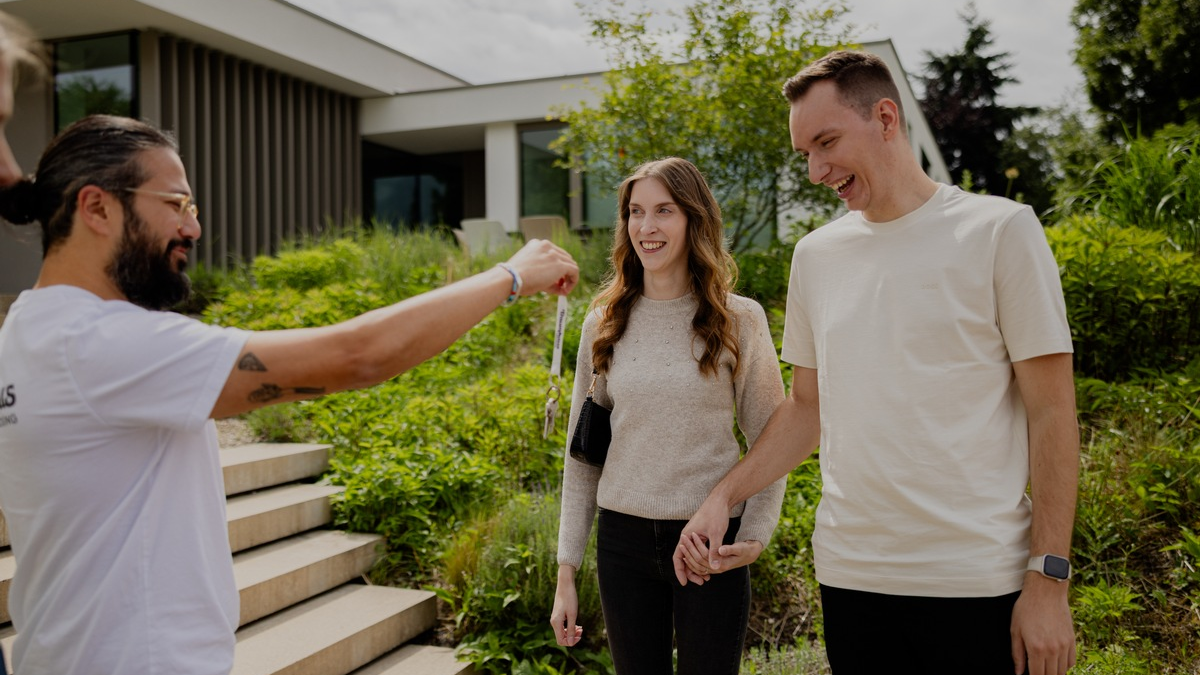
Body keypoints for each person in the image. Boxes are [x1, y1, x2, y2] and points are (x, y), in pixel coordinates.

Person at [0, 114, 578, 675]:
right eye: (175, 204)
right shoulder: (101, 344)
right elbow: (359, 356)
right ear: (96, 206)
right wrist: (512, 275)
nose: (194, 228)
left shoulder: (29, 332)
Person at [672, 51, 1079, 675]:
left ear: (885, 118)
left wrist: (1048, 578)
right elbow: (807, 409)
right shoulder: (816, 256)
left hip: (977, 581)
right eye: (804, 152)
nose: (815, 170)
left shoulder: (1000, 231)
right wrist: (722, 497)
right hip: (852, 578)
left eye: (826, 142)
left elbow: (1053, 413)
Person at [549, 157, 786, 675]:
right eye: (635, 212)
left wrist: (753, 538)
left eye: (664, 211)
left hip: (707, 544)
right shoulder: (604, 321)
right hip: (622, 545)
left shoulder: (738, 319)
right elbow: (582, 457)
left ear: (693, 219)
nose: (646, 227)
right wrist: (566, 571)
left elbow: (774, 438)